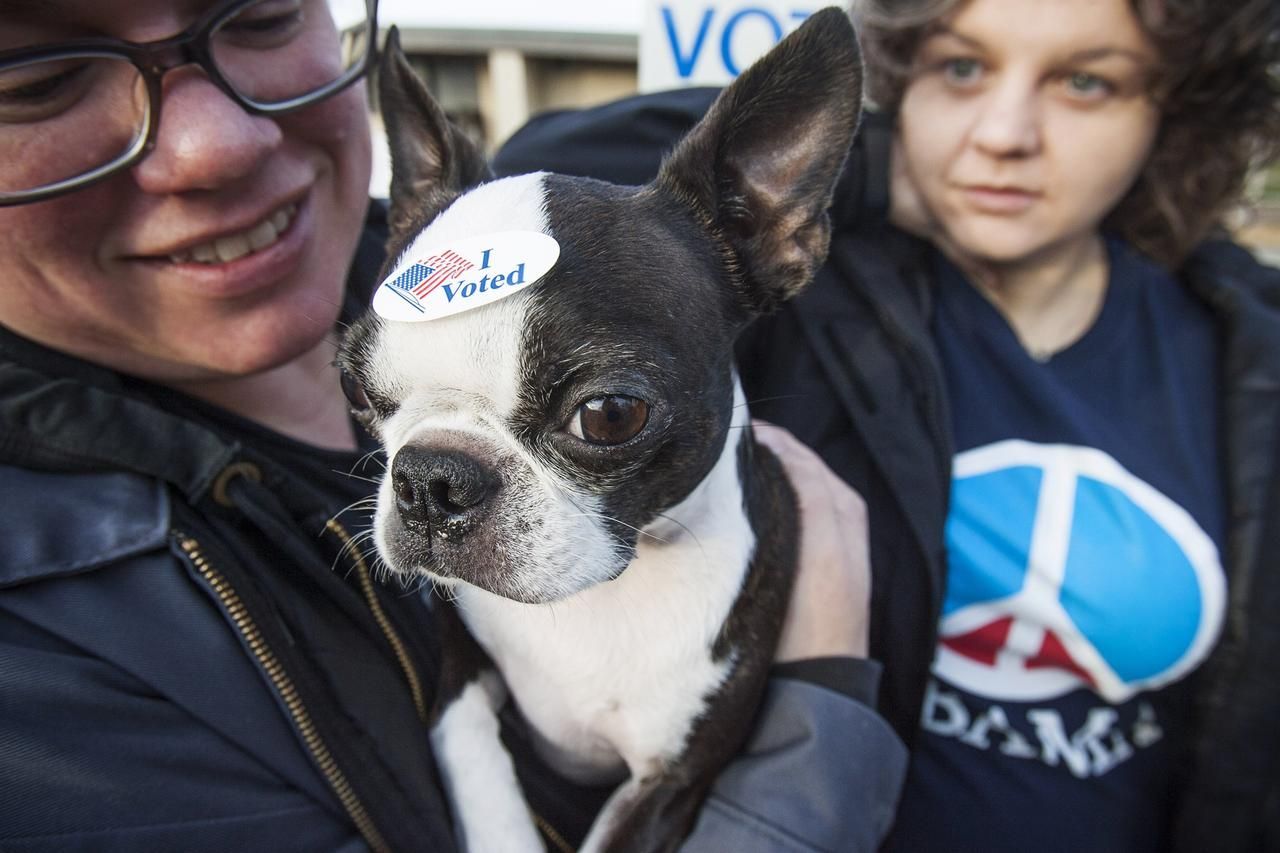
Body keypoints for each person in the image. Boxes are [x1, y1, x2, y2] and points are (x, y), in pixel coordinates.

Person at [0, 0, 908, 851]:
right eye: (37, 80)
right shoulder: (40, 661)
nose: (212, 145)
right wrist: (818, 715)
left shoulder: (573, 271)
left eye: (264, 14)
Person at [492, 0, 1280, 850]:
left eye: (1085, 81)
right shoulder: (801, 303)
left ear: (1178, 105)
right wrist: (863, 168)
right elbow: (532, 176)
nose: (1005, 133)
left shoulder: (1244, 354)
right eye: (961, 68)